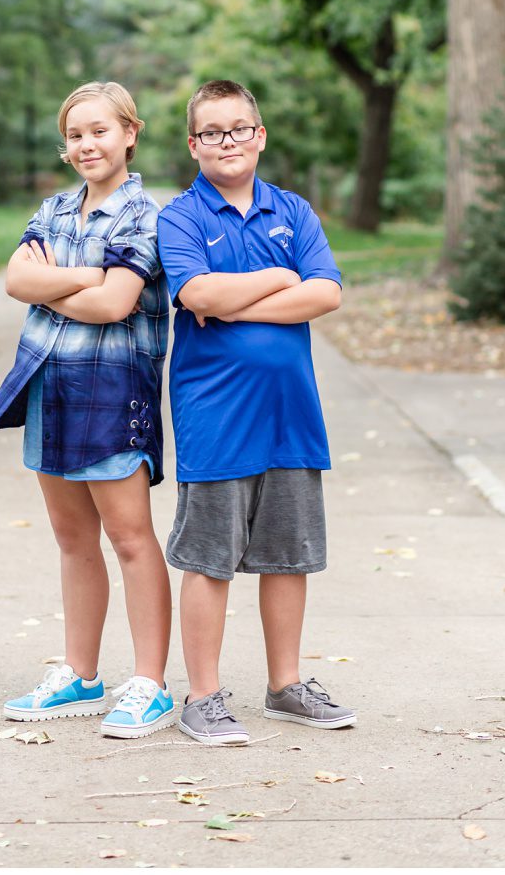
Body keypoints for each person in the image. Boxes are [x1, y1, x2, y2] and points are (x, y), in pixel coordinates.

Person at [0, 81, 176, 737]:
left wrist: (60, 281)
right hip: (49, 385)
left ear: (130, 133)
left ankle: (149, 681)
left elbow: (115, 305)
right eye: (76, 134)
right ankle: (82, 675)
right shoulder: (54, 208)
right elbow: (15, 279)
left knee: (129, 537)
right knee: (71, 537)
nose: (87, 143)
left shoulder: (148, 216)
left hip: (115, 390)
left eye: (100, 130)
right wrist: (90, 276)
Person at [155, 79, 351, 745]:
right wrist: (278, 278)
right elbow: (197, 291)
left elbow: (325, 293)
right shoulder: (181, 217)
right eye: (212, 131)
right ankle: (203, 696)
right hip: (215, 415)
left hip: (290, 414)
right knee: (209, 557)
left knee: (287, 555)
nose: (228, 140)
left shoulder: (292, 210)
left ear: (260, 135)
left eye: (239, 127)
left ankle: (285, 684)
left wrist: (234, 302)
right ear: (193, 144)